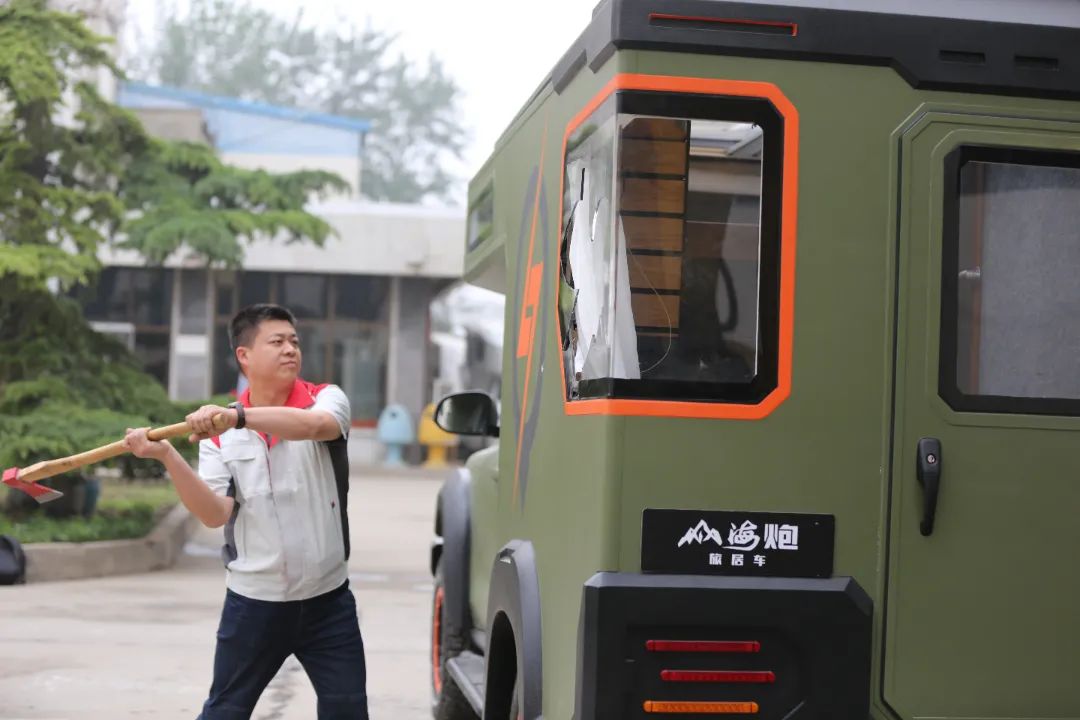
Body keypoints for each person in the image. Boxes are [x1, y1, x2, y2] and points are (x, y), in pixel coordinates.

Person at [123, 303, 368, 720]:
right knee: (225, 711)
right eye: (277, 341)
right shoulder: (217, 438)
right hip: (255, 604)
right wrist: (167, 456)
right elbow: (214, 514)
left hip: (328, 602)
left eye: (294, 341)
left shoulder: (324, 399)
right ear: (244, 356)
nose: (291, 349)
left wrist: (237, 417)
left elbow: (312, 427)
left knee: (347, 711)